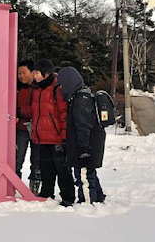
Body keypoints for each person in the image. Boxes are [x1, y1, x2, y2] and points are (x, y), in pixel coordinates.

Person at [56, 66, 106, 204]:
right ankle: (98, 198)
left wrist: (83, 150)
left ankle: (87, 203)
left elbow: (83, 126)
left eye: (62, 85)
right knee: (90, 174)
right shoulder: (81, 97)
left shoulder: (81, 100)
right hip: (87, 146)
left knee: (83, 176)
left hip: (85, 148)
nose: (61, 88)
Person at [31, 59, 75, 207]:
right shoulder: (37, 89)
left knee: (62, 170)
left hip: (56, 138)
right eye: (34, 72)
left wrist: (64, 138)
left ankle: (68, 196)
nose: (34, 76)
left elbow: (64, 115)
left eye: (37, 73)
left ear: (46, 73)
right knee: (46, 168)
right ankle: (47, 192)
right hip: (41, 137)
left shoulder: (57, 88)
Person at [15, 60, 41, 195]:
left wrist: (19, 111)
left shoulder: (39, 87)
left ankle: (34, 187)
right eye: (19, 73)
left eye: (24, 72)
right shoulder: (16, 88)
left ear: (32, 73)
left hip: (37, 129)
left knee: (36, 161)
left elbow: (37, 108)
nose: (21, 76)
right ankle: (13, 184)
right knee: (17, 159)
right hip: (20, 129)